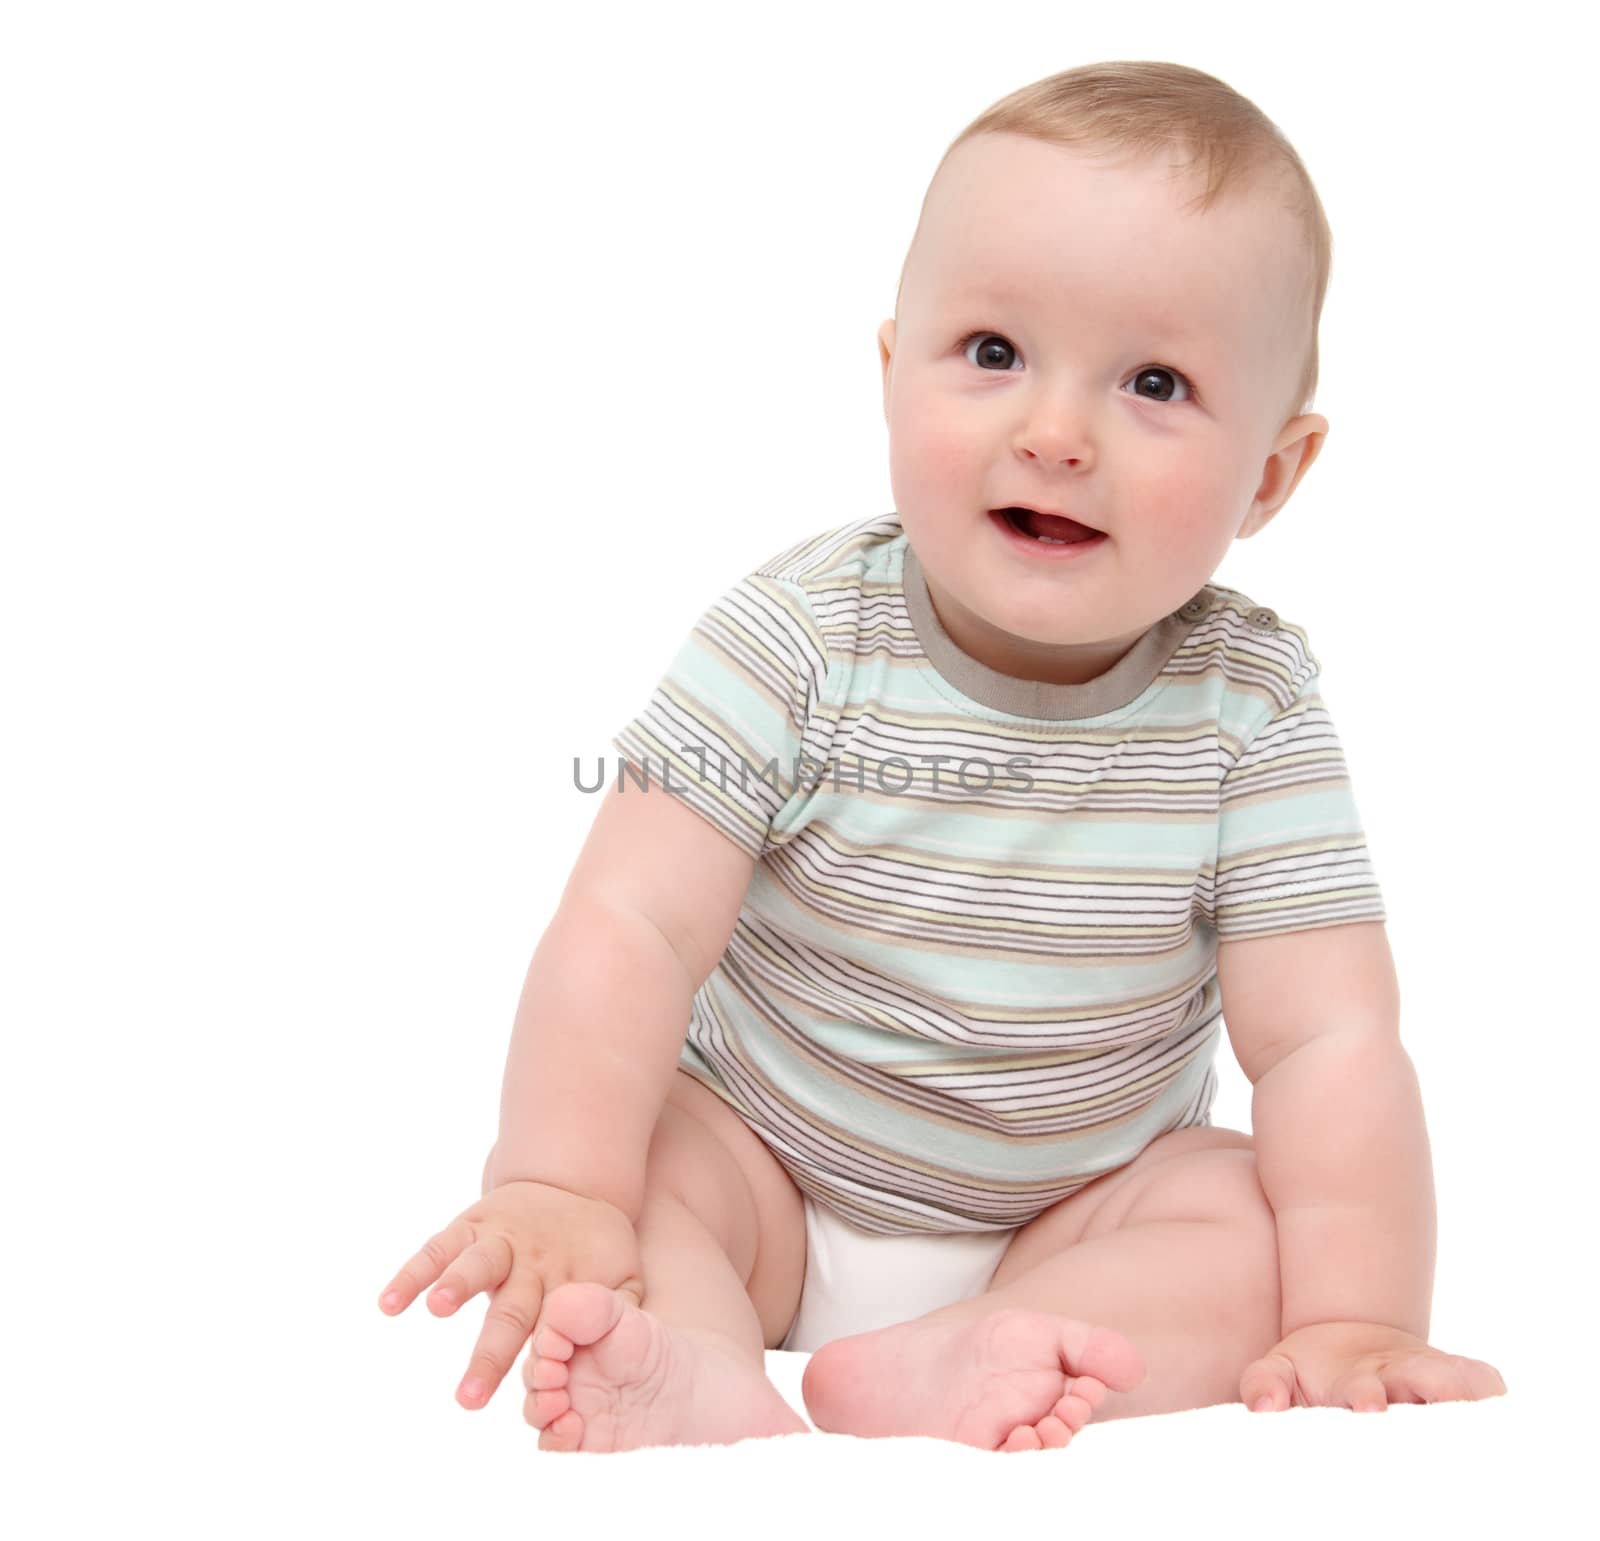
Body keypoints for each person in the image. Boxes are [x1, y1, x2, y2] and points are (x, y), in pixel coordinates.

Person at [377, 60, 1507, 1452]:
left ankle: (958, 1361)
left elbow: (1331, 1037)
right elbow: (629, 922)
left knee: (1245, 1210)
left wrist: (1358, 1310)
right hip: (769, 1175)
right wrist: (555, 1178)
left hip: (1073, 1216)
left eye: (1155, 382)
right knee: (646, 1159)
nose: (1054, 431)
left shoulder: (1248, 706)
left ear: (1271, 476)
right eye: (991, 353)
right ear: (892, 370)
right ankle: (696, 1365)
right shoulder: (799, 636)